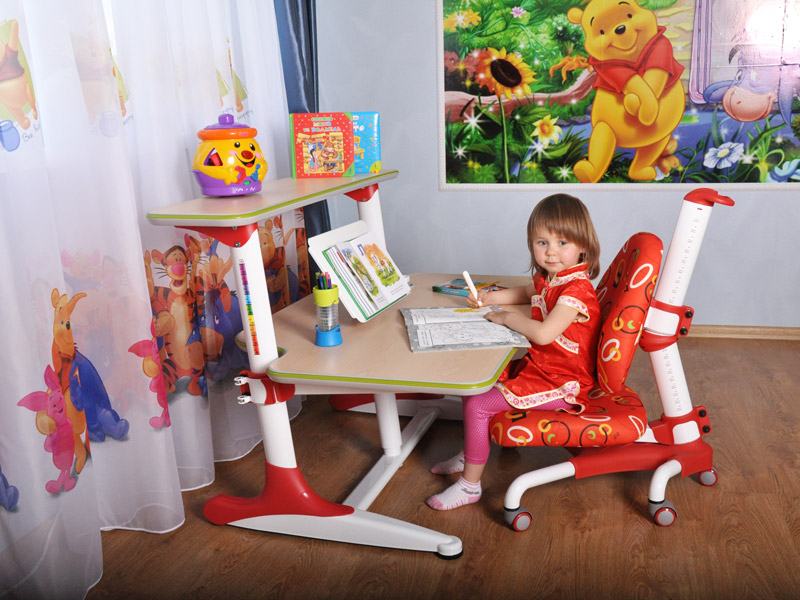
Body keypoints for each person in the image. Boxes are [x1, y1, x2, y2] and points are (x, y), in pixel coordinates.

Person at [426, 193, 602, 511]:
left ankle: (470, 486)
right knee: (474, 383)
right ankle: (470, 453)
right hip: (542, 368)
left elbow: (544, 333)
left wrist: (508, 318)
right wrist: (489, 298)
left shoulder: (576, 290)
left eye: (562, 242)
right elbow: (525, 292)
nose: (551, 252)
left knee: (478, 404)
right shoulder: (552, 277)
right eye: (542, 242)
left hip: (564, 383)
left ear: (583, 245)